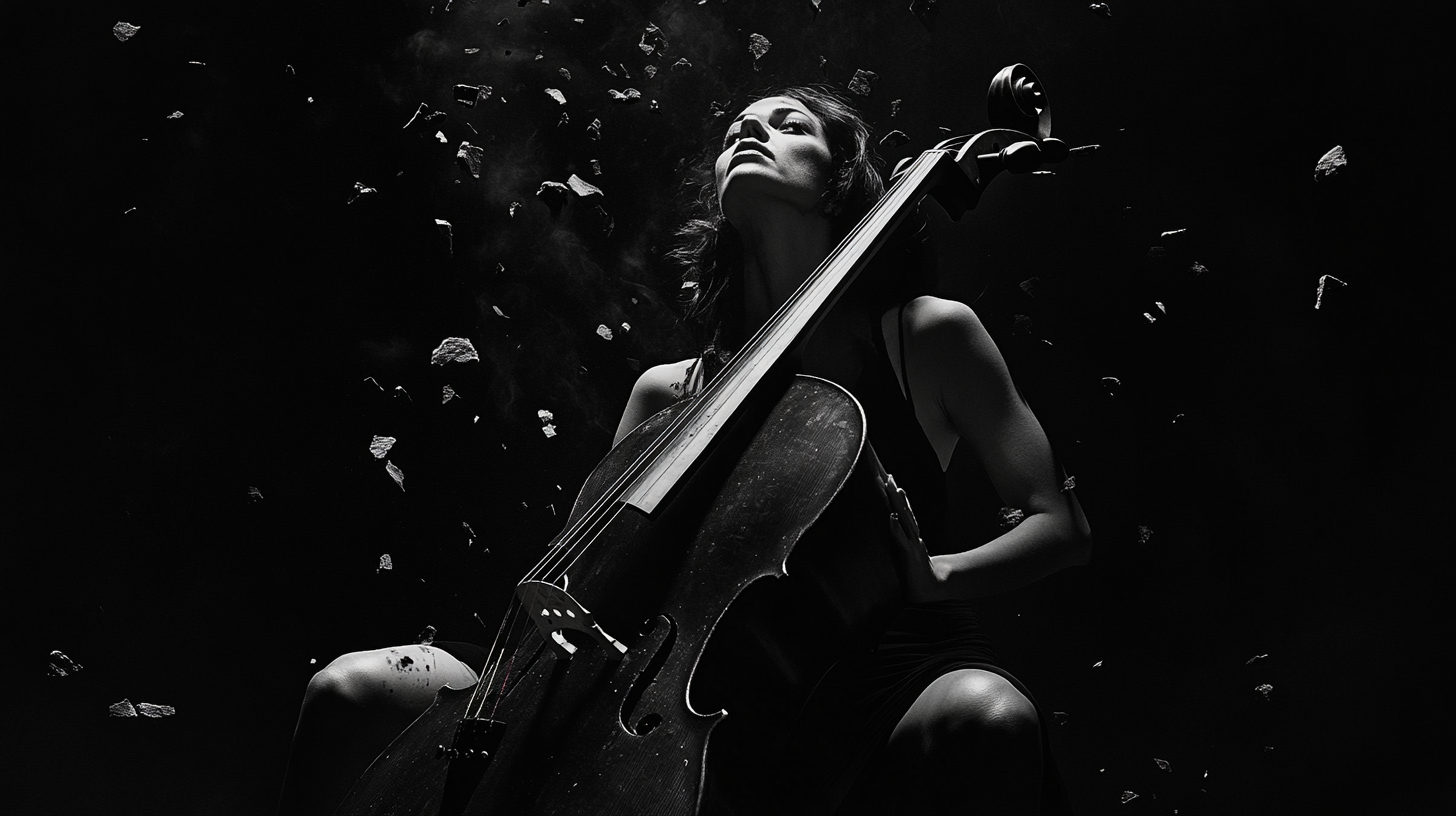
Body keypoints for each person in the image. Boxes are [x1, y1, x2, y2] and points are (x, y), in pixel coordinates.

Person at [279, 85, 1089, 816]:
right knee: (351, 691)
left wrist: (936, 574)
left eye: (788, 125)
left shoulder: (926, 335)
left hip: (864, 672)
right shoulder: (670, 391)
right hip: (667, 682)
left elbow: (1059, 524)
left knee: (992, 717)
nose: (750, 132)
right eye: (738, 126)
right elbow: (583, 569)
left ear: (842, 177)